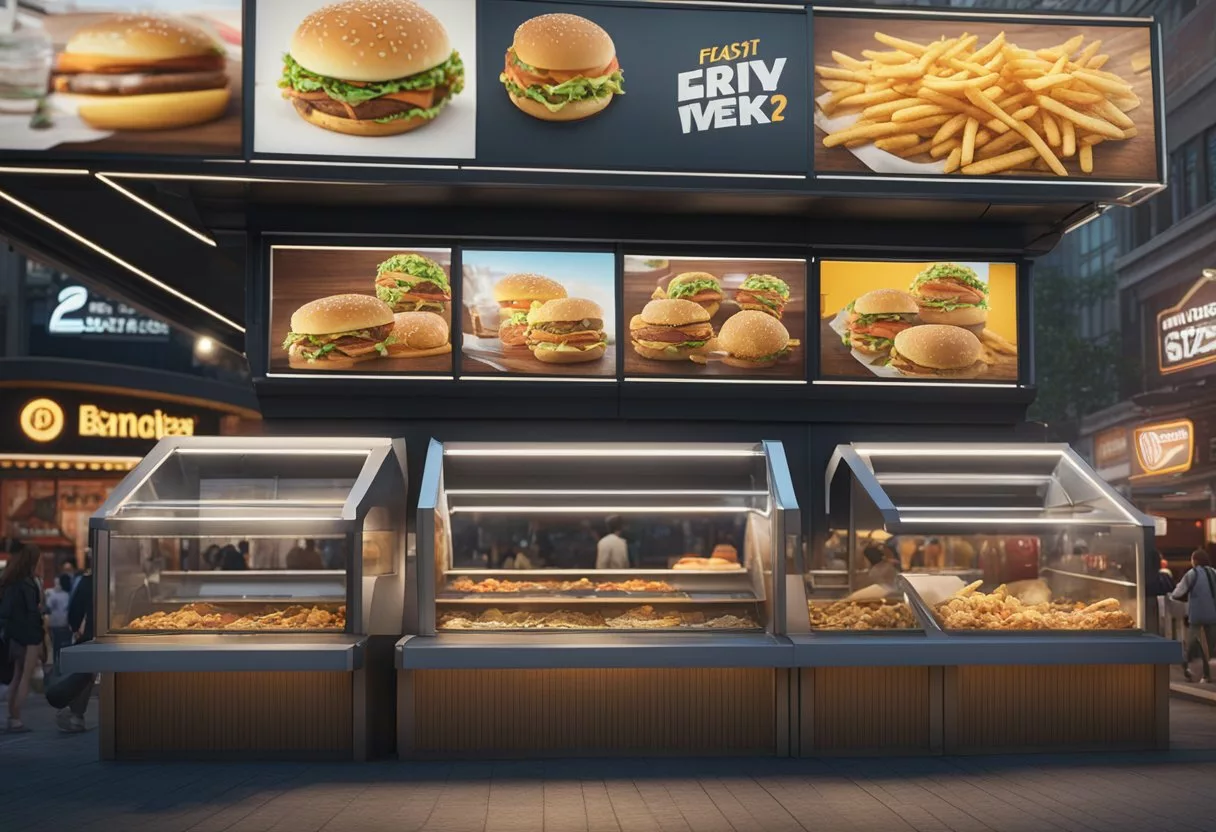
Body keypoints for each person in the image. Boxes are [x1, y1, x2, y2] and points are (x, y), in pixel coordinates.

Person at [0, 545, 46, 733]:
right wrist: (40, 637)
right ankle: (16, 717)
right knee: (24, 677)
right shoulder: (28, 583)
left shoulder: (10, 582)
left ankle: (12, 717)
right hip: (29, 635)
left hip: (13, 635)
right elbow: (33, 612)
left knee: (17, 677)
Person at [58, 556, 94, 733]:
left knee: (86, 673)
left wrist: (75, 627)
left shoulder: (88, 581)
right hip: (124, 629)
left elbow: (75, 610)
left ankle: (76, 716)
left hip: (94, 632)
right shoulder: (125, 579)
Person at [1171, 549, 1216, 683]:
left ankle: (1187, 668)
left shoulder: (1192, 573)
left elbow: (1177, 593)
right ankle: (1208, 675)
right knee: (1211, 645)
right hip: (1213, 615)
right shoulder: (1214, 572)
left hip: (1197, 615)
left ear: (1195, 560)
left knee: (1192, 642)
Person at [45, 573, 72, 669]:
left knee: (56, 646)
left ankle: (57, 666)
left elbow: (47, 608)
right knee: (65, 645)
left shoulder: (53, 595)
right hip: (65, 624)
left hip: (55, 625)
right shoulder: (69, 595)